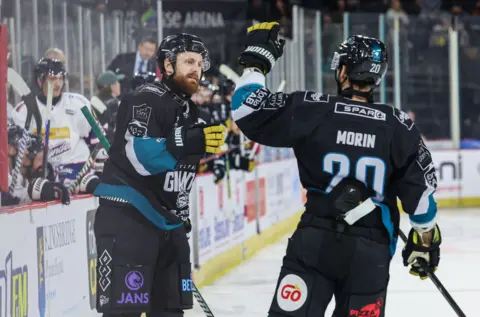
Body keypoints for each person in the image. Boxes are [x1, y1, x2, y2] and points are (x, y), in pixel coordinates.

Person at [231, 22, 441, 316]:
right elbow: (421, 201)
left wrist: (257, 62)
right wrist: (425, 241)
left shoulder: (312, 108)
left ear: (342, 72)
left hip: (315, 242)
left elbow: (246, 109)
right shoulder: (399, 125)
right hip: (371, 253)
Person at [92, 33, 226, 317]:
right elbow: (140, 156)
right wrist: (185, 141)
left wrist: (179, 214)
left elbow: (180, 174)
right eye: (188, 61)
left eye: (200, 63)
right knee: (123, 313)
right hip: (129, 220)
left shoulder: (194, 113)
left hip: (169, 226)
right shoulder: (146, 99)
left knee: (170, 313)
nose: (196, 69)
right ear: (167, 65)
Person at [11, 58, 100, 185]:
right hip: (43, 174)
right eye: (52, 79)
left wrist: (99, 169)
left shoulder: (79, 104)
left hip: (78, 169)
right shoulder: (23, 111)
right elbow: (18, 154)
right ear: (39, 81)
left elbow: (97, 141)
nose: (58, 84)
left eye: (61, 78)